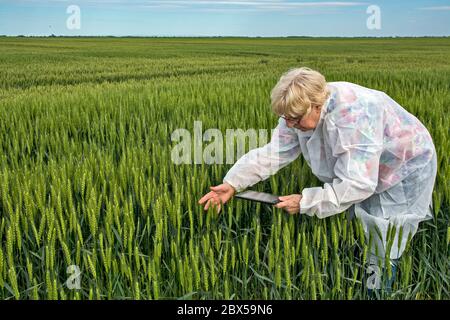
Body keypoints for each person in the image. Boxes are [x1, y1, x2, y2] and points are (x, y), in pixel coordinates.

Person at [198, 67, 437, 294]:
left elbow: (358, 184)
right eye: (285, 118)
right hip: (367, 169)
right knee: (364, 224)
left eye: (294, 119)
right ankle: (365, 272)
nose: (289, 124)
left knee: (384, 236)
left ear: (316, 105)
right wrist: (232, 183)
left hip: (403, 166)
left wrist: (306, 201)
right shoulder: (298, 109)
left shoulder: (353, 115)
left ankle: (378, 290)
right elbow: (274, 152)